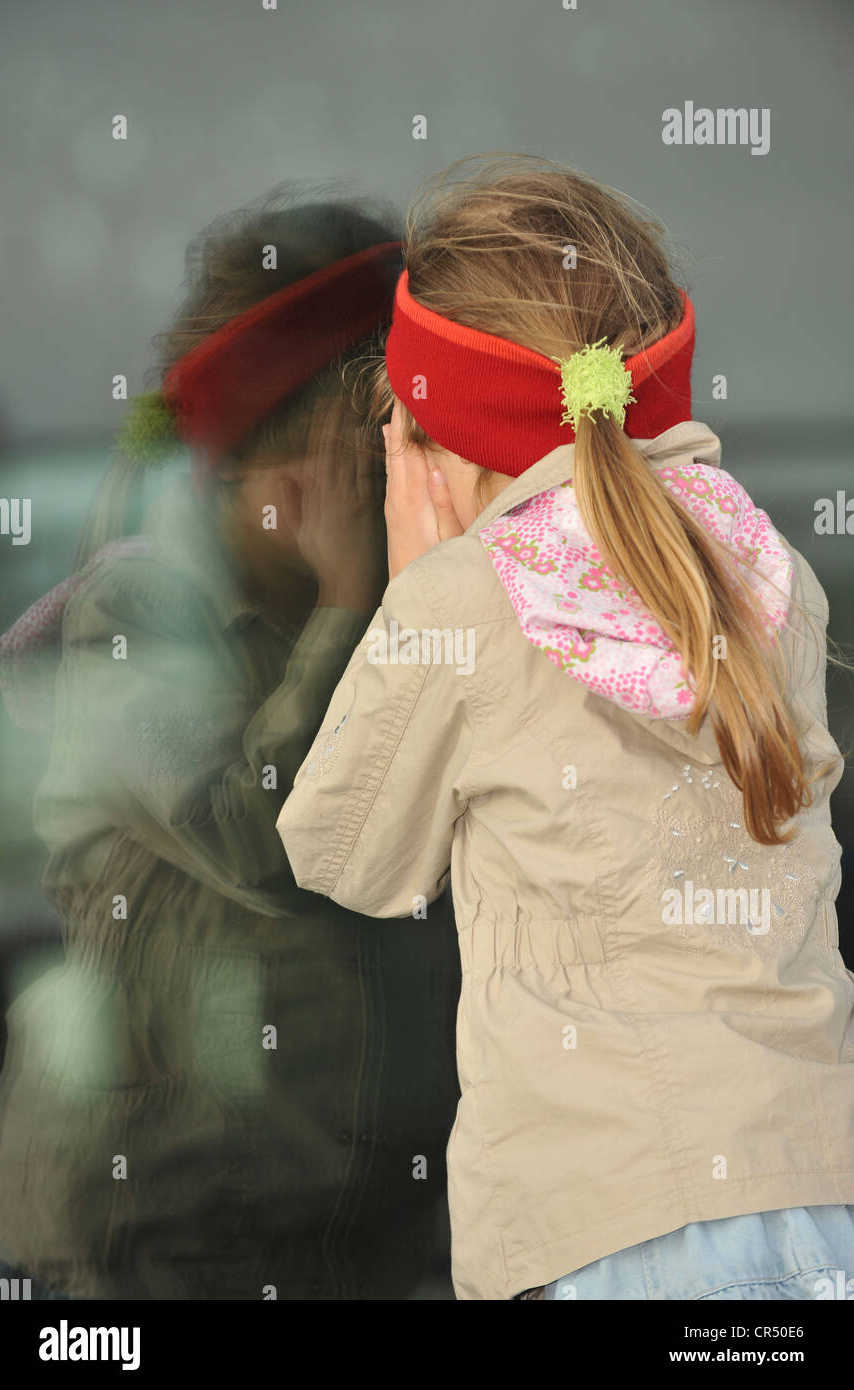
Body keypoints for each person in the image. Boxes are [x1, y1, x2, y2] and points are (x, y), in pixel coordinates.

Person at [277, 156, 854, 1301]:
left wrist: (408, 585)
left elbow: (345, 854)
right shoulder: (765, 567)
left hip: (610, 1223)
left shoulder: (464, 601)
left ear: (428, 437)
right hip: (816, 1186)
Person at [0, 191, 460, 1299]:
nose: (398, 461)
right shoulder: (134, 614)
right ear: (270, 452)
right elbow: (270, 840)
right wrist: (351, 592)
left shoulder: (423, 608)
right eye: (368, 426)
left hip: (383, 1250)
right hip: (155, 1250)